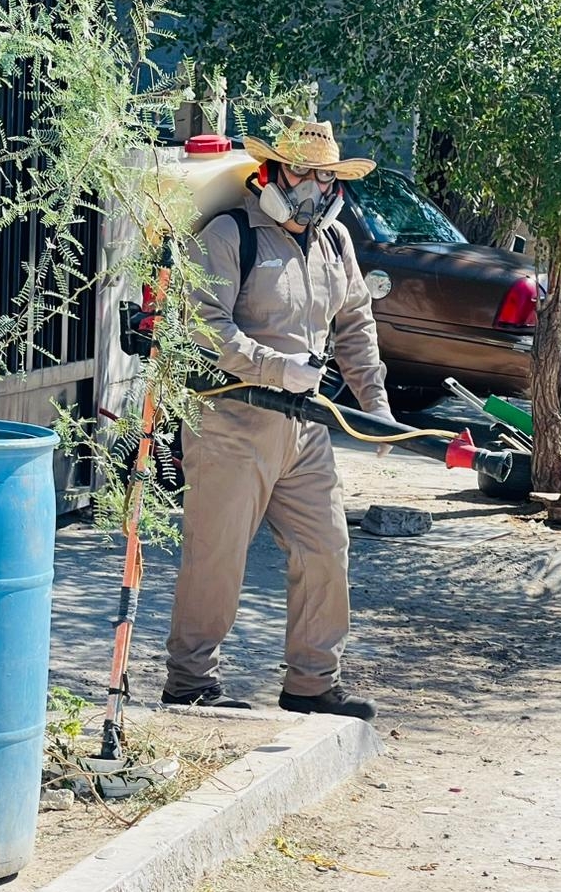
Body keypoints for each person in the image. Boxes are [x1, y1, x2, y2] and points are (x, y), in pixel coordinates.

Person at [162, 118, 393, 720]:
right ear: (272, 173)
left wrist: (376, 402)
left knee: (326, 549)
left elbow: (356, 324)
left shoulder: (335, 243)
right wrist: (273, 366)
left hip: (304, 427)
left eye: (325, 175)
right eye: (302, 171)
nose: (314, 185)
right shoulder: (230, 234)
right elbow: (204, 326)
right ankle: (189, 681)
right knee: (217, 555)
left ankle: (312, 684)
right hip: (231, 424)